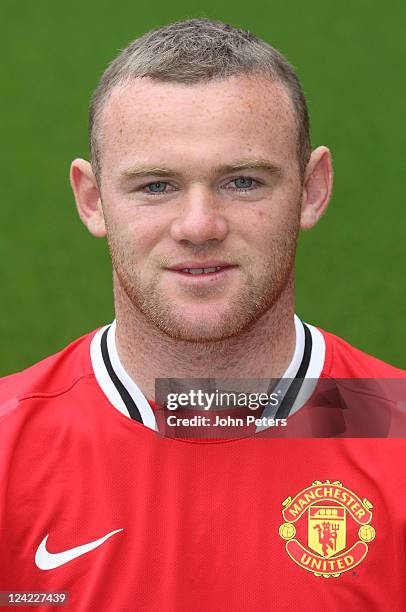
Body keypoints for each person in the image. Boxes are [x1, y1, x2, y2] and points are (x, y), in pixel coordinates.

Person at [0, 18, 405, 611]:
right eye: (156, 186)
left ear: (313, 189)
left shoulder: (397, 432)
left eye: (242, 182)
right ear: (92, 201)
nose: (199, 226)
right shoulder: (6, 449)